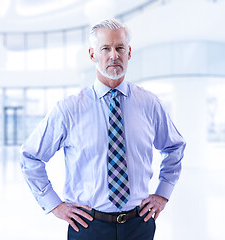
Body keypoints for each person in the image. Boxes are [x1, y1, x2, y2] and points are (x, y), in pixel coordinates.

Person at [20, 19, 186, 240]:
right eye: (105, 48)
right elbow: (30, 157)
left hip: (139, 225)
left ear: (129, 53)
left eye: (119, 48)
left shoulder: (149, 104)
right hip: (88, 226)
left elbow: (174, 146)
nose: (114, 55)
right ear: (92, 55)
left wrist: (162, 195)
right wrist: (55, 205)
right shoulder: (69, 109)